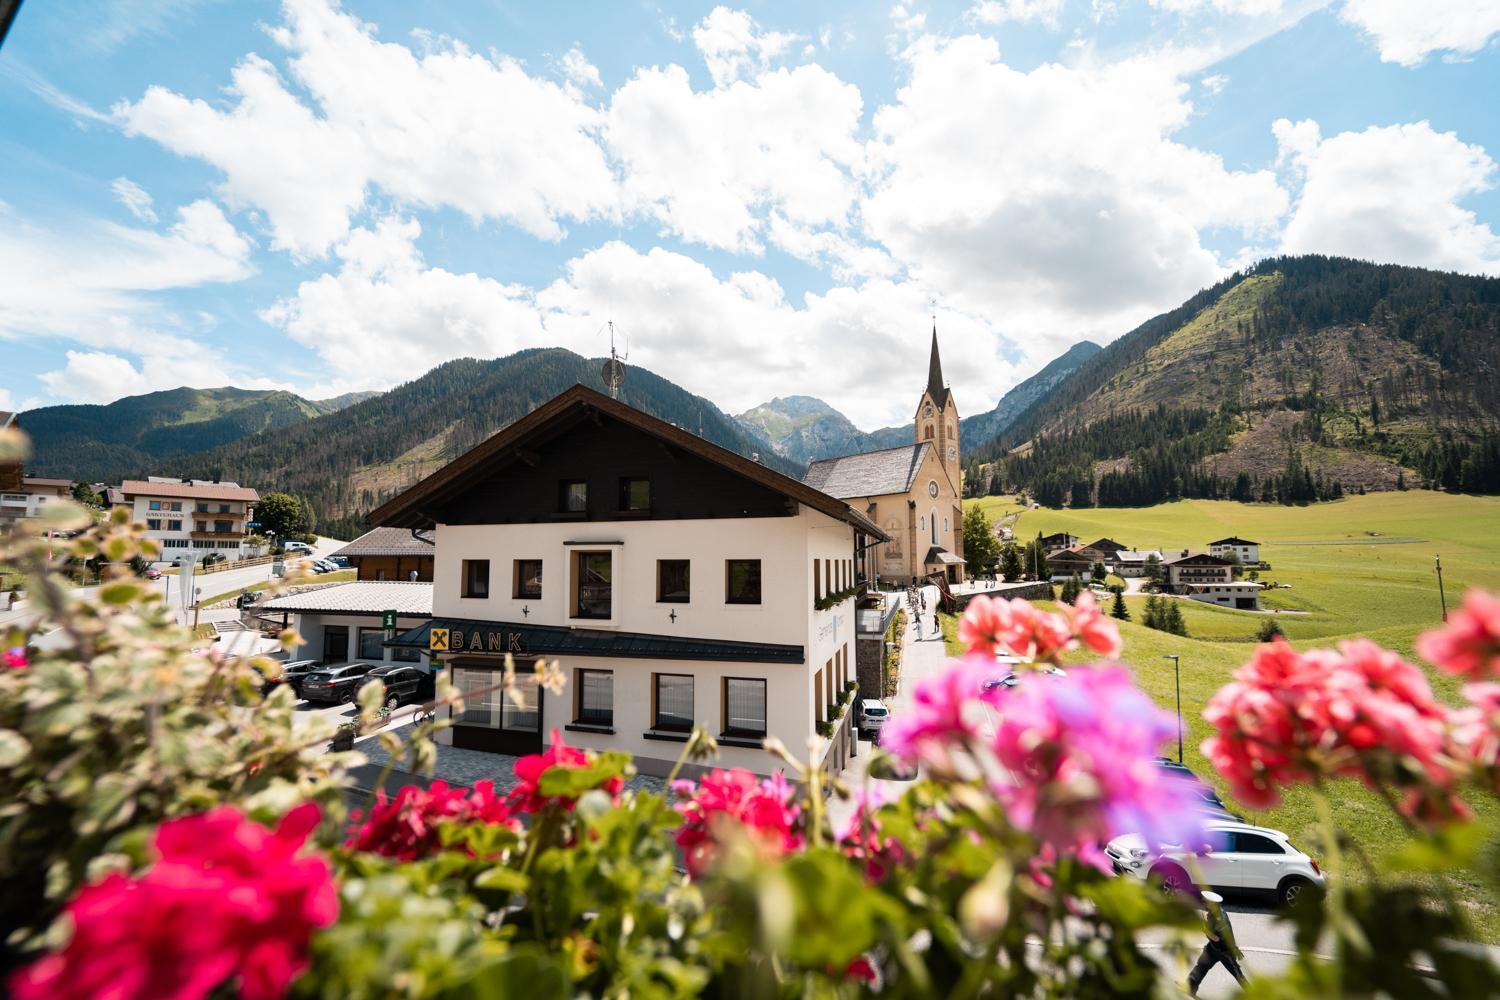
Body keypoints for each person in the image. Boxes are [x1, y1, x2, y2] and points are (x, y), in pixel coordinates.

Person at [1188, 891, 1246, 996]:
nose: (1204, 904)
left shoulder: (1221, 919)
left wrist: (1204, 929)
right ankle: (1190, 987)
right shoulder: (1212, 912)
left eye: (1206, 902)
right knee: (1201, 965)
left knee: (1238, 975)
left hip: (1225, 952)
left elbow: (1216, 938)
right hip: (1212, 948)